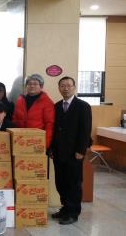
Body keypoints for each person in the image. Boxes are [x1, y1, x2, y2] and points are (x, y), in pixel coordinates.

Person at [50, 76, 92, 225]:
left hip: (75, 153)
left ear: (74, 87)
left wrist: (81, 150)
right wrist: (51, 149)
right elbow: (53, 130)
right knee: (60, 182)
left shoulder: (83, 106)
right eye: (62, 85)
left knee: (74, 183)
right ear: (59, 88)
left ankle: (73, 212)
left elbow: (85, 130)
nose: (65, 88)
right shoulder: (56, 106)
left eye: (68, 85)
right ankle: (65, 208)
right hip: (59, 152)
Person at [12, 74, 55, 150]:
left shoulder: (47, 102)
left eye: (35, 84)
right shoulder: (20, 100)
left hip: (37, 142)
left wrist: (45, 144)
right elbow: (15, 120)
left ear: (41, 86)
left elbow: (50, 124)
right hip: (20, 141)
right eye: (29, 84)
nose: (32, 86)